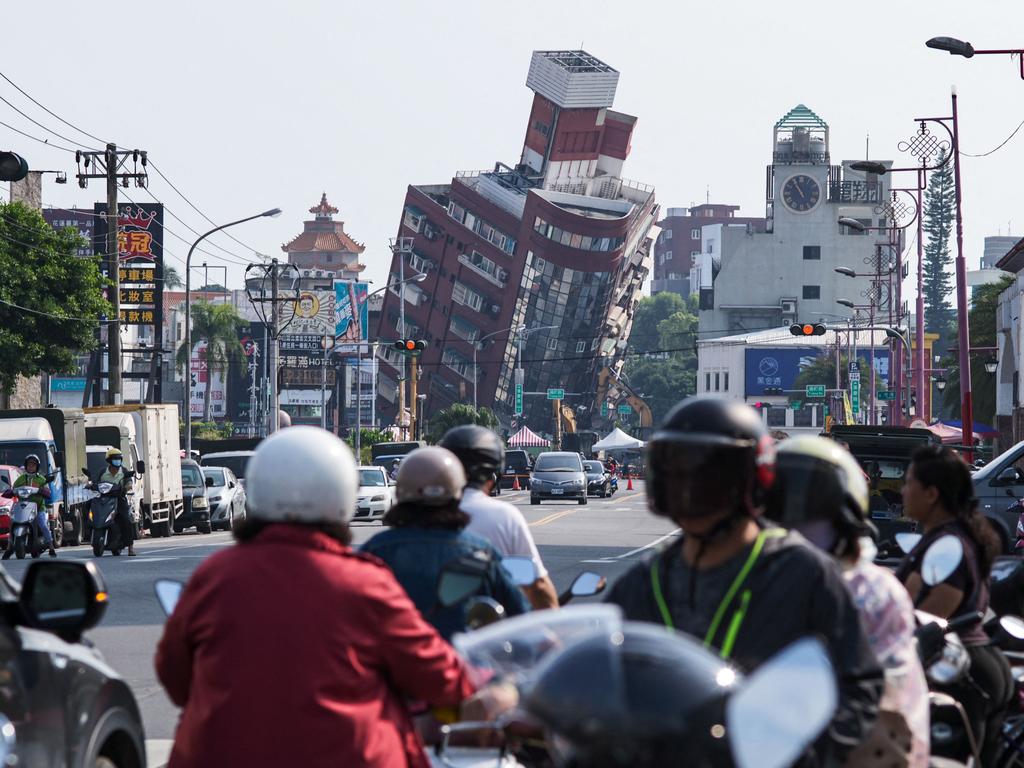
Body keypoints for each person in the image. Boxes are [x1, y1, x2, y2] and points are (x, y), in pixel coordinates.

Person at [156, 427, 480, 768]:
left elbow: (174, 676)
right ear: (341, 496)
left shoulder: (215, 575)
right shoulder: (365, 582)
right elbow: (440, 677)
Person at [603, 396, 883, 767]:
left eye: (704, 473)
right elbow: (600, 680)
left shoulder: (803, 574)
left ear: (750, 478)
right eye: (675, 469)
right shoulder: (643, 582)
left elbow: (858, 687)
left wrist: (802, 753)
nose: (687, 486)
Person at [766, 435, 929, 767]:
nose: (797, 532)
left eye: (812, 517)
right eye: (785, 512)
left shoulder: (873, 593)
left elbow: (887, 702)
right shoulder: (746, 580)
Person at [896, 444, 1014, 764]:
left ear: (932, 494)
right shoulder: (948, 537)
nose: (903, 490)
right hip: (969, 666)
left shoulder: (948, 545)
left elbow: (929, 617)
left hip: (962, 673)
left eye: (909, 482)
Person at [362, 446, 529, 640]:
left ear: (400, 493)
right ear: (457, 493)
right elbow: (523, 623)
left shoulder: (375, 551)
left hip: (389, 667)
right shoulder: (481, 553)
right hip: (465, 667)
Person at [438, 425, 559, 610]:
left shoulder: (416, 515)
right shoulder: (504, 515)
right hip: (490, 628)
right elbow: (538, 586)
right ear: (495, 474)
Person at [3, 453, 55, 559]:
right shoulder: (21, 479)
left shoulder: (41, 479)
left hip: (38, 508)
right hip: (22, 507)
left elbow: (48, 492)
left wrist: (42, 490)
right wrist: (10, 491)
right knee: (12, 524)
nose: (31, 467)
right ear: (26, 466)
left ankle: (51, 547)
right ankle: (9, 549)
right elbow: (13, 488)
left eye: (33, 465)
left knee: (43, 526)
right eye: (29, 465)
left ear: (37, 467)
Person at [98, 448, 136, 557]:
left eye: (119, 459)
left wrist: (126, 487)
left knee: (126, 520)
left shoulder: (123, 471)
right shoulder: (102, 472)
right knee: (90, 509)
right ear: (109, 460)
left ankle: (131, 548)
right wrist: (91, 485)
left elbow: (129, 483)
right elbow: (95, 482)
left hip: (119, 499)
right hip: (104, 500)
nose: (117, 461)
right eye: (115, 459)